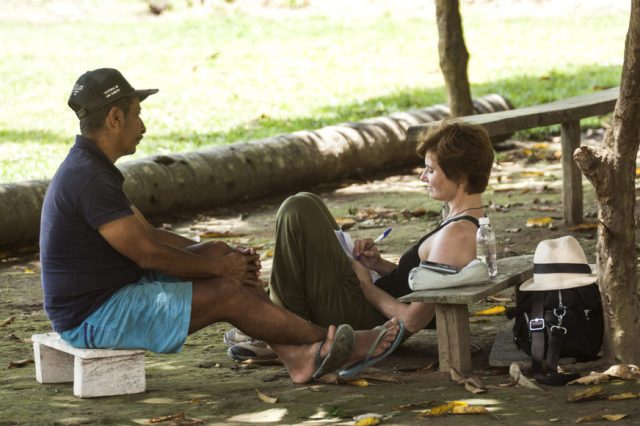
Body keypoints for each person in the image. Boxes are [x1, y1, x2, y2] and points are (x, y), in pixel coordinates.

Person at [39, 68, 403, 384]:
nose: (143, 126)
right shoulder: (90, 179)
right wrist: (220, 269)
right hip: (94, 317)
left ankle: (298, 358)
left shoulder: (92, 169)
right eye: (137, 115)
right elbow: (148, 254)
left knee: (221, 253)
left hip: (115, 292)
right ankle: (331, 342)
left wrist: (224, 258)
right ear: (115, 118)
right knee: (227, 291)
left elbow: (149, 236)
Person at [226, 120, 494, 365]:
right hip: (369, 303)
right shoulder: (463, 221)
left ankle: (280, 332)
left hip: (369, 319)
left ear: (460, 176)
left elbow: (413, 319)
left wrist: (365, 286)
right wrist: (378, 265)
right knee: (308, 202)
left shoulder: (455, 236)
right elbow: (423, 283)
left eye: (431, 170)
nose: (423, 177)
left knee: (296, 209)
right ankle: (279, 324)